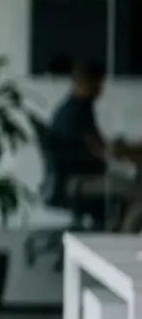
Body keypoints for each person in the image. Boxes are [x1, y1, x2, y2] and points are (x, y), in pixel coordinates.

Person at [47, 58, 142, 232]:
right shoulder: (75, 113)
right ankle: (124, 242)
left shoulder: (76, 108)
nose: (101, 89)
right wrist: (130, 156)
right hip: (79, 182)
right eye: (98, 83)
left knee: (131, 189)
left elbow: (98, 146)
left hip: (81, 177)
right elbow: (100, 151)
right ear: (85, 83)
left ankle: (117, 232)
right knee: (138, 193)